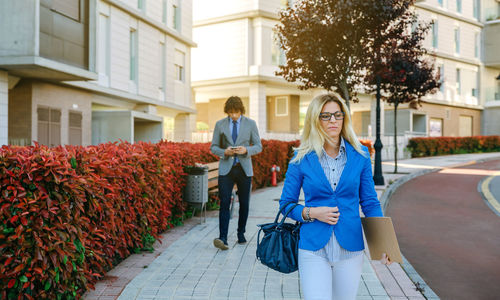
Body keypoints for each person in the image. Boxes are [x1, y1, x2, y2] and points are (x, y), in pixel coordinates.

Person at [280, 93, 391, 300]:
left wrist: (383, 243)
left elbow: (369, 202)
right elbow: (286, 205)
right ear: (315, 119)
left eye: (337, 115)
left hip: (350, 247)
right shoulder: (300, 157)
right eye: (325, 116)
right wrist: (311, 212)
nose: (333, 120)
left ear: (344, 118)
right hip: (313, 248)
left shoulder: (361, 155)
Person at [210, 96, 262, 250]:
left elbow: (259, 146)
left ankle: (241, 233)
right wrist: (224, 151)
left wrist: (246, 150)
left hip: (244, 168)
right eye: (231, 113)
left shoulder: (251, 124)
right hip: (226, 169)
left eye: (236, 112)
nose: (233, 115)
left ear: (241, 110)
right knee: (224, 202)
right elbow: (213, 147)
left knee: (244, 203)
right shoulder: (220, 124)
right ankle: (223, 238)